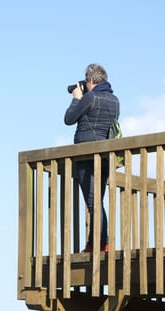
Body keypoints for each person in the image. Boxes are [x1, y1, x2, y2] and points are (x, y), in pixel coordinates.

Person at [64, 63, 120, 253]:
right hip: (105, 156)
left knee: (92, 201)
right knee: (97, 201)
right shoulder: (114, 100)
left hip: (86, 155)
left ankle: (100, 242)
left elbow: (69, 119)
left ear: (90, 80)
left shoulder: (90, 97)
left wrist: (76, 99)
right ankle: (93, 242)